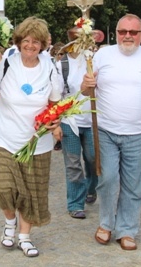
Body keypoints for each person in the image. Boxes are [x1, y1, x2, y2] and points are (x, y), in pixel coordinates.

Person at [81, 14, 141, 251]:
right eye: (123, 32)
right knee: (108, 178)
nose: (128, 36)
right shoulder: (102, 56)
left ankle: (127, 229)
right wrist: (86, 84)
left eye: (133, 32)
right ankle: (106, 223)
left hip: (137, 133)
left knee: (133, 185)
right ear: (116, 33)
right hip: (106, 131)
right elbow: (84, 91)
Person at [0, 16, 62, 258]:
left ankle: (24, 236)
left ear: (43, 45)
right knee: (5, 188)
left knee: (32, 191)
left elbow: (55, 103)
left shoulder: (50, 68)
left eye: (36, 42)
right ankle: (9, 223)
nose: (31, 45)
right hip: (3, 137)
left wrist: (55, 120)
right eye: (26, 40)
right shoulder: (5, 64)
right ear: (18, 41)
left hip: (37, 141)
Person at [56, 27, 98, 220]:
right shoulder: (61, 65)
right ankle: (75, 202)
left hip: (92, 120)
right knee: (73, 163)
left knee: (92, 158)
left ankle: (91, 186)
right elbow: (57, 95)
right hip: (69, 119)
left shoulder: (93, 60)